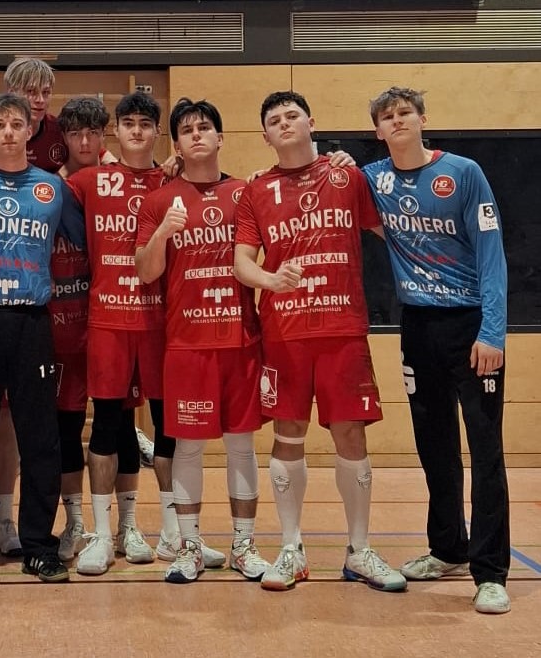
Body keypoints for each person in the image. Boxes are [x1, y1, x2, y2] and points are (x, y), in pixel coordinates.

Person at [233, 90, 406, 593]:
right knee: (287, 434)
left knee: (351, 434)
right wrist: (270, 280)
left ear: (312, 122)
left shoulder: (348, 176)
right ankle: (292, 549)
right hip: (285, 333)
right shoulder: (256, 190)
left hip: (342, 329)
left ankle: (359, 550)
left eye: (292, 116)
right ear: (265, 135)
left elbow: (391, 230)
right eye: (274, 120)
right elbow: (242, 262)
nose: (284, 124)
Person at [364, 87, 510, 613]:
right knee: (435, 444)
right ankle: (448, 549)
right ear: (378, 130)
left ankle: (490, 572)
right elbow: (324, 182)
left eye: (405, 112)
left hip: (471, 325)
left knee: (485, 449)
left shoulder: (464, 173)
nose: (397, 120)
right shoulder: (372, 178)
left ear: (423, 119)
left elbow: (492, 256)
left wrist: (493, 332)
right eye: (387, 116)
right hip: (417, 326)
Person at [0, 93, 84, 583]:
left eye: (16, 124)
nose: (8, 132)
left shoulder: (52, 188)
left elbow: (86, 241)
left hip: (31, 323)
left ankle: (39, 546)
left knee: (40, 437)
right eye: (0, 124)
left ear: (30, 130)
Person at [135, 98, 270, 584]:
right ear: (176, 144)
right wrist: (162, 234)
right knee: (188, 449)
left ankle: (244, 546)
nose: (196, 134)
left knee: (241, 446)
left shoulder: (246, 193)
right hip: (187, 344)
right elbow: (145, 272)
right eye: (187, 129)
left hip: (240, 340)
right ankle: (190, 547)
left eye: (205, 127)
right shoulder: (159, 201)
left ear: (219, 137)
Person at [66, 91, 191, 576]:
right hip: (109, 321)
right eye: (128, 123)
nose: (137, 131)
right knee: (106, 426)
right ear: (114, 132)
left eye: (145, 123)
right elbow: (34, 188)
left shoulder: (175, 181)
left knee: (167, 426)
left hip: (163, 324)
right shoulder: (88, 181)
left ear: (157, 132)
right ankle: (102, 534)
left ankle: (169, 532)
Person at [52, 97, 106, 561]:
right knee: (64, 431)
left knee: (114, 426)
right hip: (57, 329)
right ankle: (74, 523)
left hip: (107, 325)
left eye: (93, 133)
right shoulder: (49, 189)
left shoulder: (121, 182)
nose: (85, 142)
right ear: (64, 138)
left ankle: (123, 527)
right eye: (75, 133)